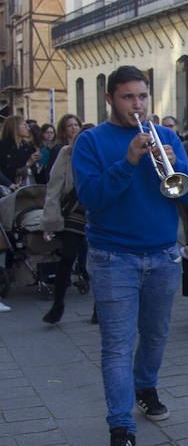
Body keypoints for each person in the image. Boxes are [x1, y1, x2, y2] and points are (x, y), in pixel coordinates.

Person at [71, 65, 188, 446]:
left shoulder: (168, 136)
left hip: (162, 255)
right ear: (110, 99)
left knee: (156, 335)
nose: (137, 105)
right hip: (113, 258)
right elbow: (92, 197)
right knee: (116, 346)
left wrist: (176, 166)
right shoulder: (90, 142)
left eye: (142, 96)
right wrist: (127, 161)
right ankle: (121, 428)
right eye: (128, 97)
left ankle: (146, 386)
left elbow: (187, 192)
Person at [39, 118, 88, 324]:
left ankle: (98, 309)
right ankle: (57, 306)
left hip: (99, 212)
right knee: (67, 257)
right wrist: (50, 221)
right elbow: (54, 187)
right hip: (75, 212)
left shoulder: (103, 154)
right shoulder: (66, 153)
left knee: (94, 261)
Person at [0, 116, 43, 186]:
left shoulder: (28, 146)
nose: (28, 129)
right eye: (24, 126)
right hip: (10, 187)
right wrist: (28, 163)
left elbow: (37, 171)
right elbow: (7, 171)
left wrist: (37, 162)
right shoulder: (3, 147)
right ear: (14, 127)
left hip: (29, 184)